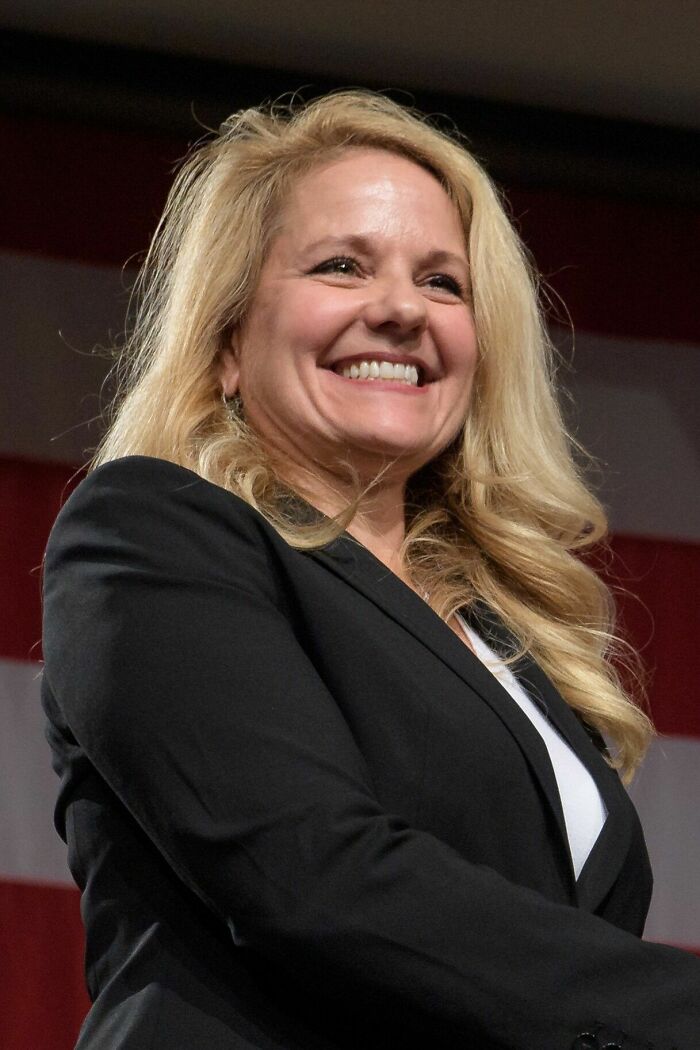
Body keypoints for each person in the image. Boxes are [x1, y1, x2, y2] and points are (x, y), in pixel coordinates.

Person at [41, 91, 700, 1050]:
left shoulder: (498, 631)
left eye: (443, 282)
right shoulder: (151, 531)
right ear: (229, 340)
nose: (399, 309)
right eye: (342, 266)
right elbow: (311, 873)